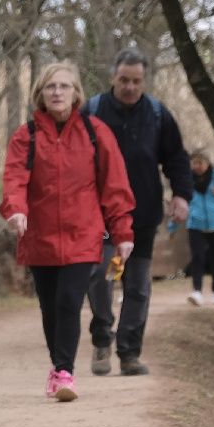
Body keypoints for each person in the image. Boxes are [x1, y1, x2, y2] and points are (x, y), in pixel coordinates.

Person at [1, 63, 135, 403]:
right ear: (41, 94)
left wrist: (122, 232)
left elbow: (115, 186)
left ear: (76, 94)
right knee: (50, 307)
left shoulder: (95, 133)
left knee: (68, 302)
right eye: (50, 87)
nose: (57, 92)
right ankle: (57, 367)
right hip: (39, 235)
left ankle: (64, 372)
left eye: (64, 86)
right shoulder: (26, 136)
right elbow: (14, 179)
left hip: (83, 234)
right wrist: (16, 209)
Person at [83, 47, 191, 376]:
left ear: (144, 81)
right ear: (113, 77)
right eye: (124, 80)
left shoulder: (158, 115)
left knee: (138, 285)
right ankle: (103, 338)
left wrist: (181, 195)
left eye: (136, 81)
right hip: (101, 214)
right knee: (103, 277)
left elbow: (176, 158)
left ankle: (129, 352)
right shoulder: (93, 111)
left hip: (142, 215)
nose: (130, 87)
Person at [184, 148, 214, 306]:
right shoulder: (187, 180)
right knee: (197, 257)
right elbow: (183, 201)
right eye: (194, 163)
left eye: (200, 163)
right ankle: (197, 292)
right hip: (195, 225)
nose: (197, 166)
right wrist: (172, 226)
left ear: (208, 163)